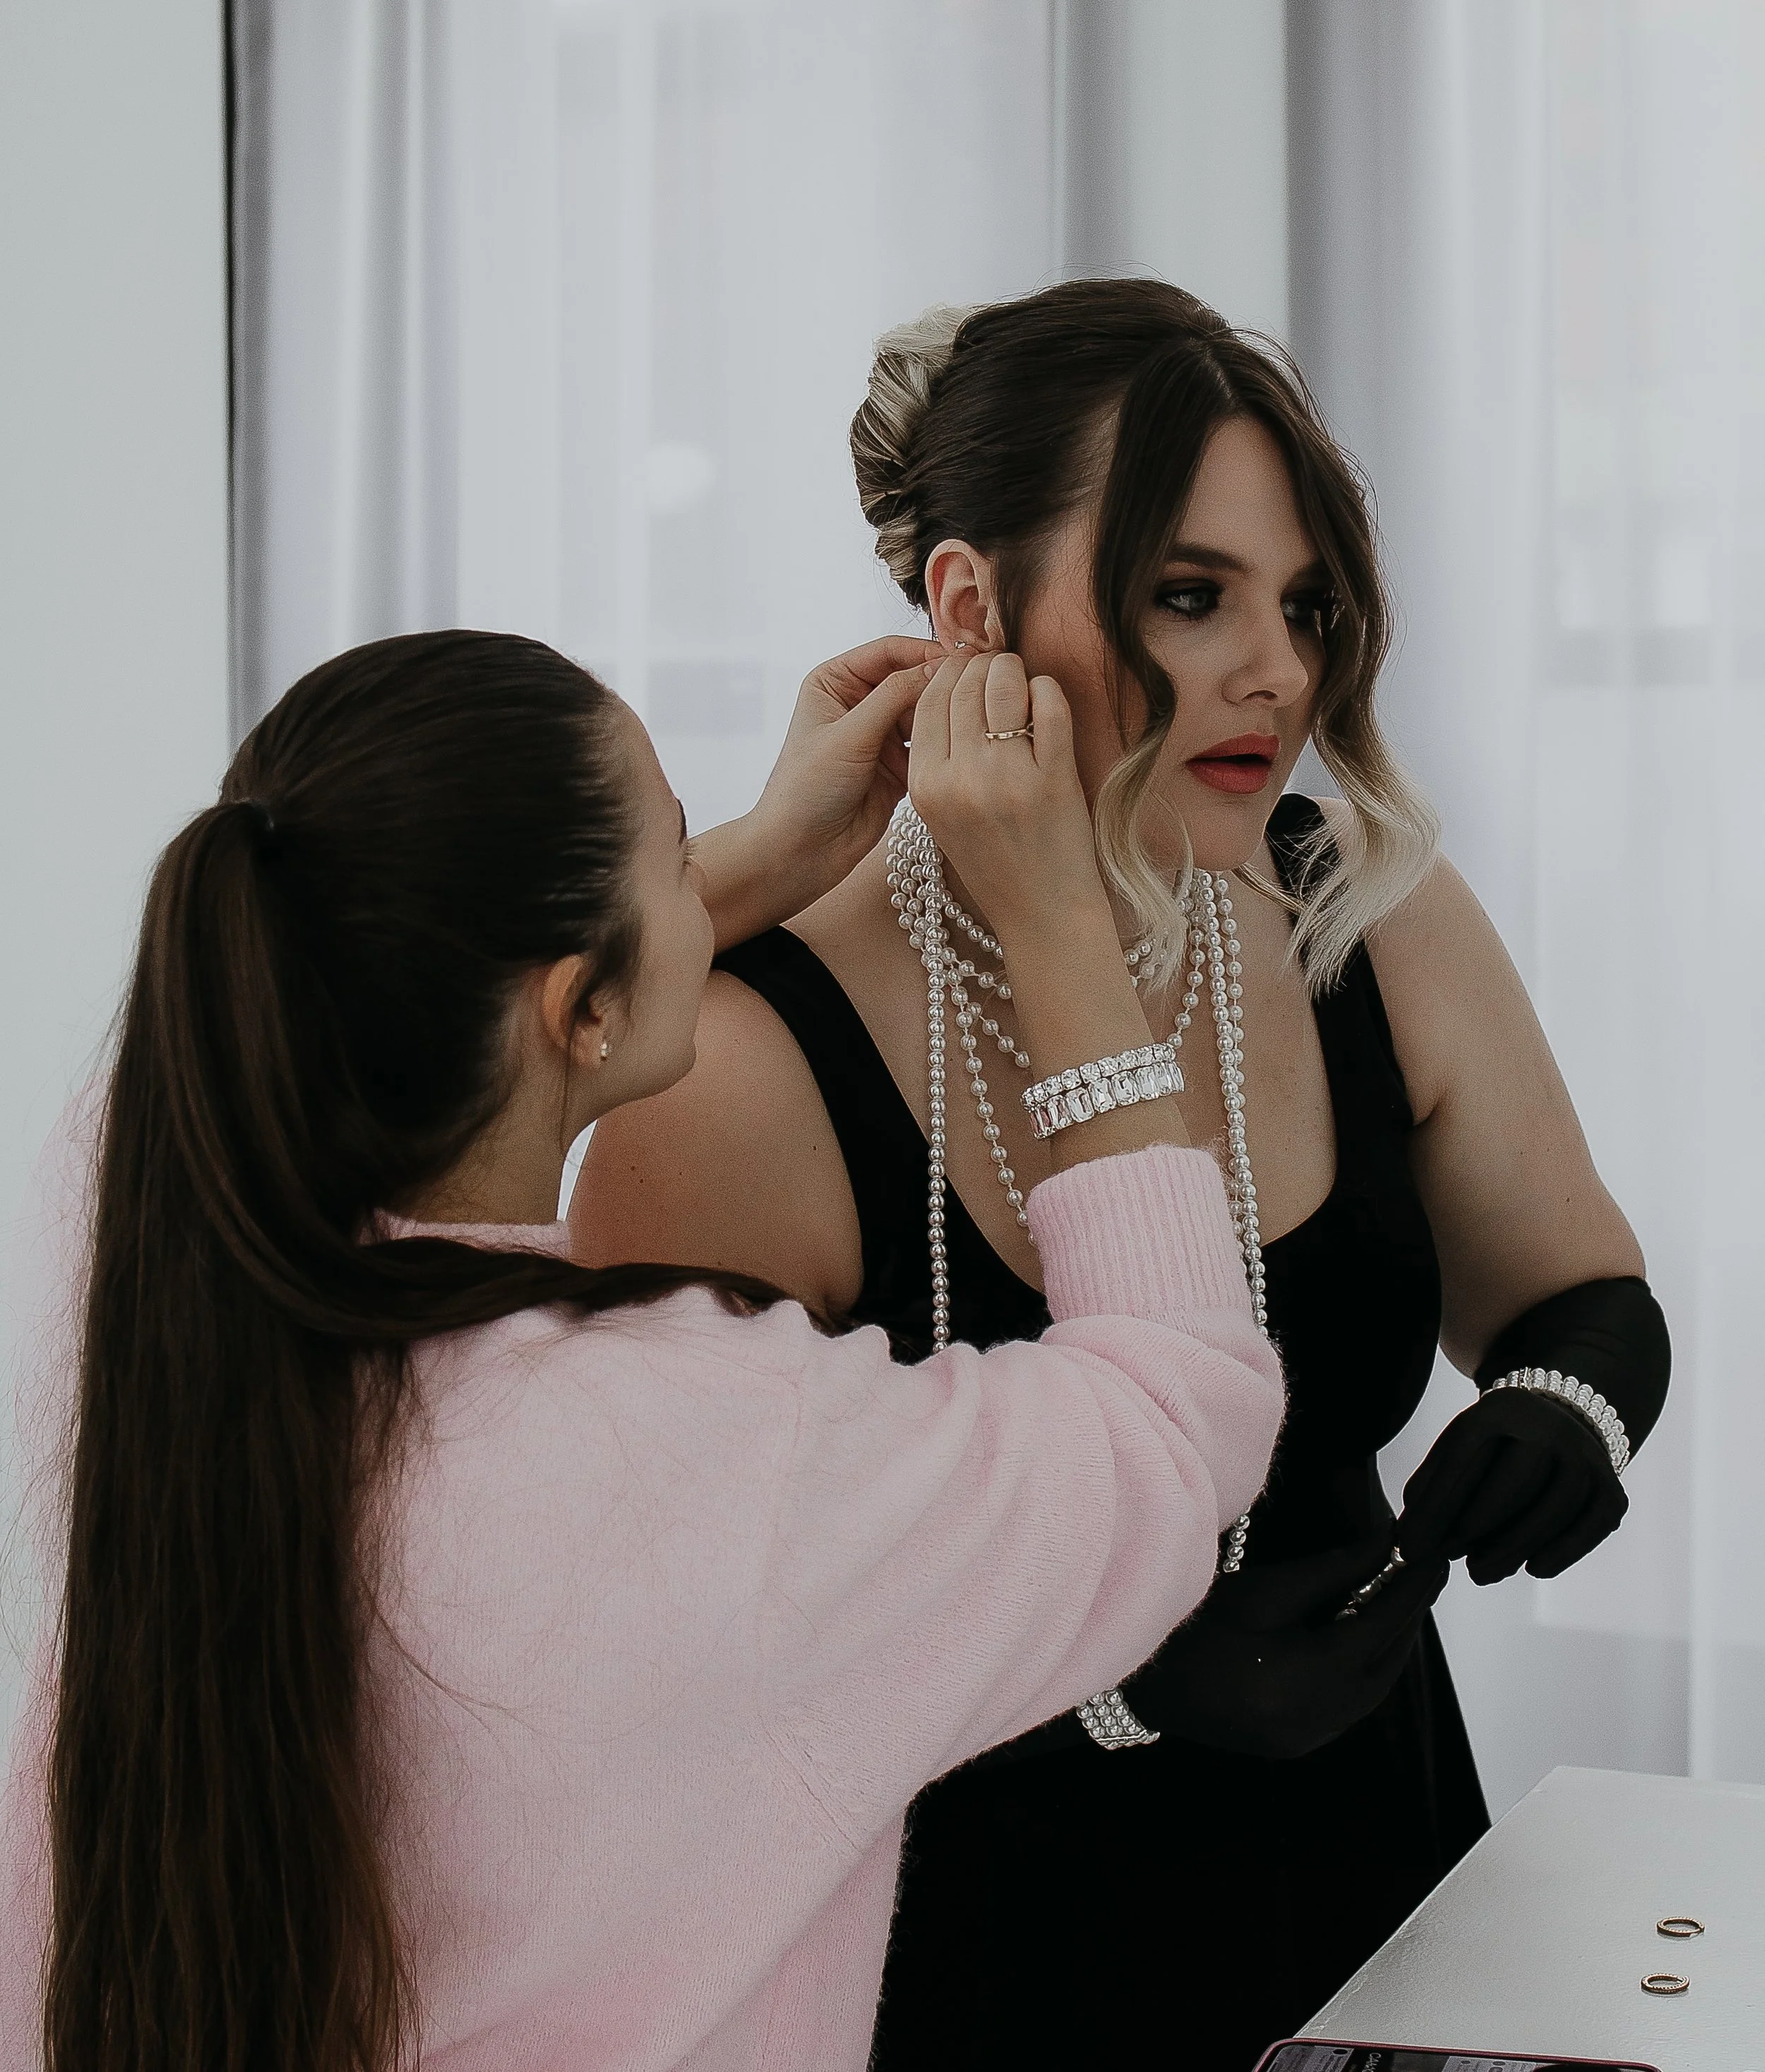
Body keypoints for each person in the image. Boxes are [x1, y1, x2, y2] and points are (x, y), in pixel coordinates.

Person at [575, 280, 1672, 2072]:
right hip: (973, 1961)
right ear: (969, 609)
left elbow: (1572, 1292)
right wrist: (1103, 1689)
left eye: (1303, 605)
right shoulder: (746, 1064)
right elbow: (668, 1650)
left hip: (1381, 1899)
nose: (1277, 673)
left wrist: (1570, 1402)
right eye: (1186, 594)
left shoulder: (1357, 915)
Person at [0, 625, 1284, 2072]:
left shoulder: (196, 1369)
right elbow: (1174, 1415)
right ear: (581, 1005)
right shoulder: (713, 1452)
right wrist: (1056, 927)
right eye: (680, 850)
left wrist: (739, 869)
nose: (708, 871)